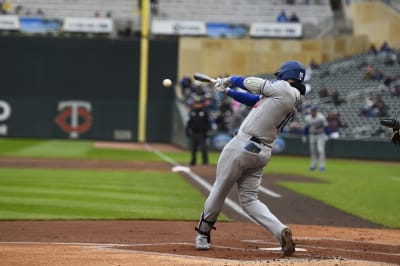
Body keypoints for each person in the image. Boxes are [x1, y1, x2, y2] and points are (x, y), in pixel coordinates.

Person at [194, 60, 306, 256]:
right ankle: (281, 232)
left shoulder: (283, 88)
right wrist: (227, 92)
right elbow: (255, 101)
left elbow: (254, 84)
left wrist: (230, 80)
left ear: (286, 74)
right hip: (262, 153)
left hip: (241, 146)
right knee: (249, 201)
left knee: (220, 189)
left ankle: (202, 235)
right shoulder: (293, 97)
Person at [302, 105, 329, 171]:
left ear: (317, 111)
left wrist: (326, 134)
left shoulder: (321, 117)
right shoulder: (307, 118)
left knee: (320, 150)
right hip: (312, 135)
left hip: (320, 135)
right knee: (312, 150)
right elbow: (306, 127)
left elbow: (326, 126)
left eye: (314, 110)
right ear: (310, 111)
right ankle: (313, 165)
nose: (313, 112)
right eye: (312, 110)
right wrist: (305, 135)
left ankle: (322, 166)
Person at [186, 96, 211, 166]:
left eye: (199, 103)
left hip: (202, 133)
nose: (197, 104)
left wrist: (207, 132)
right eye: (196, 103)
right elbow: (189, 122)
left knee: (203, 148)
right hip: (194, 132)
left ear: (201, 104)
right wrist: (187, 130)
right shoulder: (192, 111)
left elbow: (208, 123)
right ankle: (193, 161)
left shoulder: (204, 112)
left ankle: (205, 162)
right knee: (193, 148)